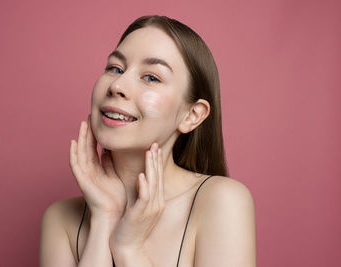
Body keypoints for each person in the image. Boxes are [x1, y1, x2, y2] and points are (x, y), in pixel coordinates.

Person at [39, 15, 256, 267]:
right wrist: (103, 220)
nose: (117, 85)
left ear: (191, 115)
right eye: (115, 68)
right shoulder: (61, 219)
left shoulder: (222, 202)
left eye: (151, 77)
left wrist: (129, 250)